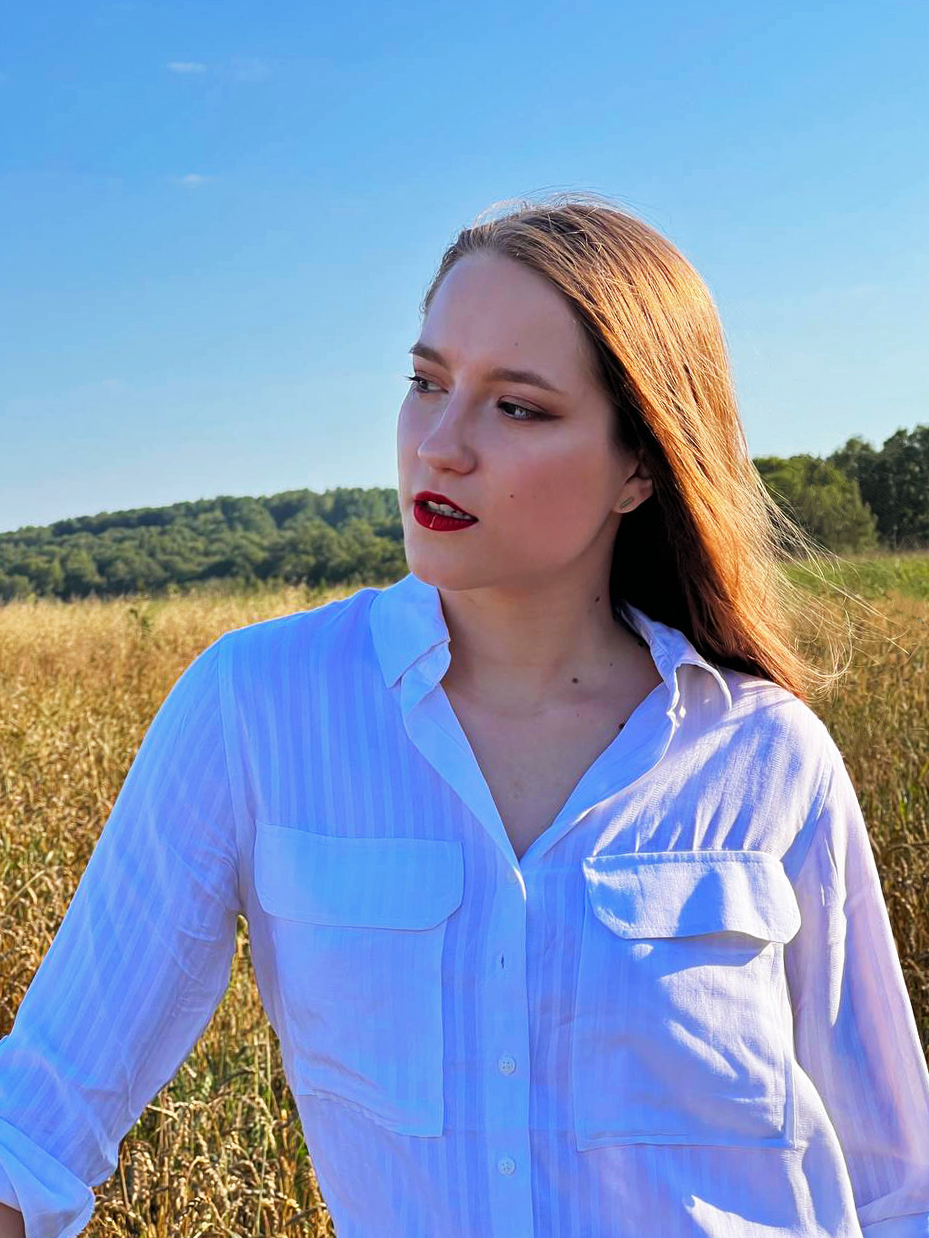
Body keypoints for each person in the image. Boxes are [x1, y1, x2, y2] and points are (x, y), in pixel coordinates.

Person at [1, 193, 927, 1238]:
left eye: (516, 407)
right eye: (427, 383)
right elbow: (35, 1123)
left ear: (638, 464)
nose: (438, 446)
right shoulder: (254, 709)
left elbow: (898, 1185)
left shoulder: (764, 755)